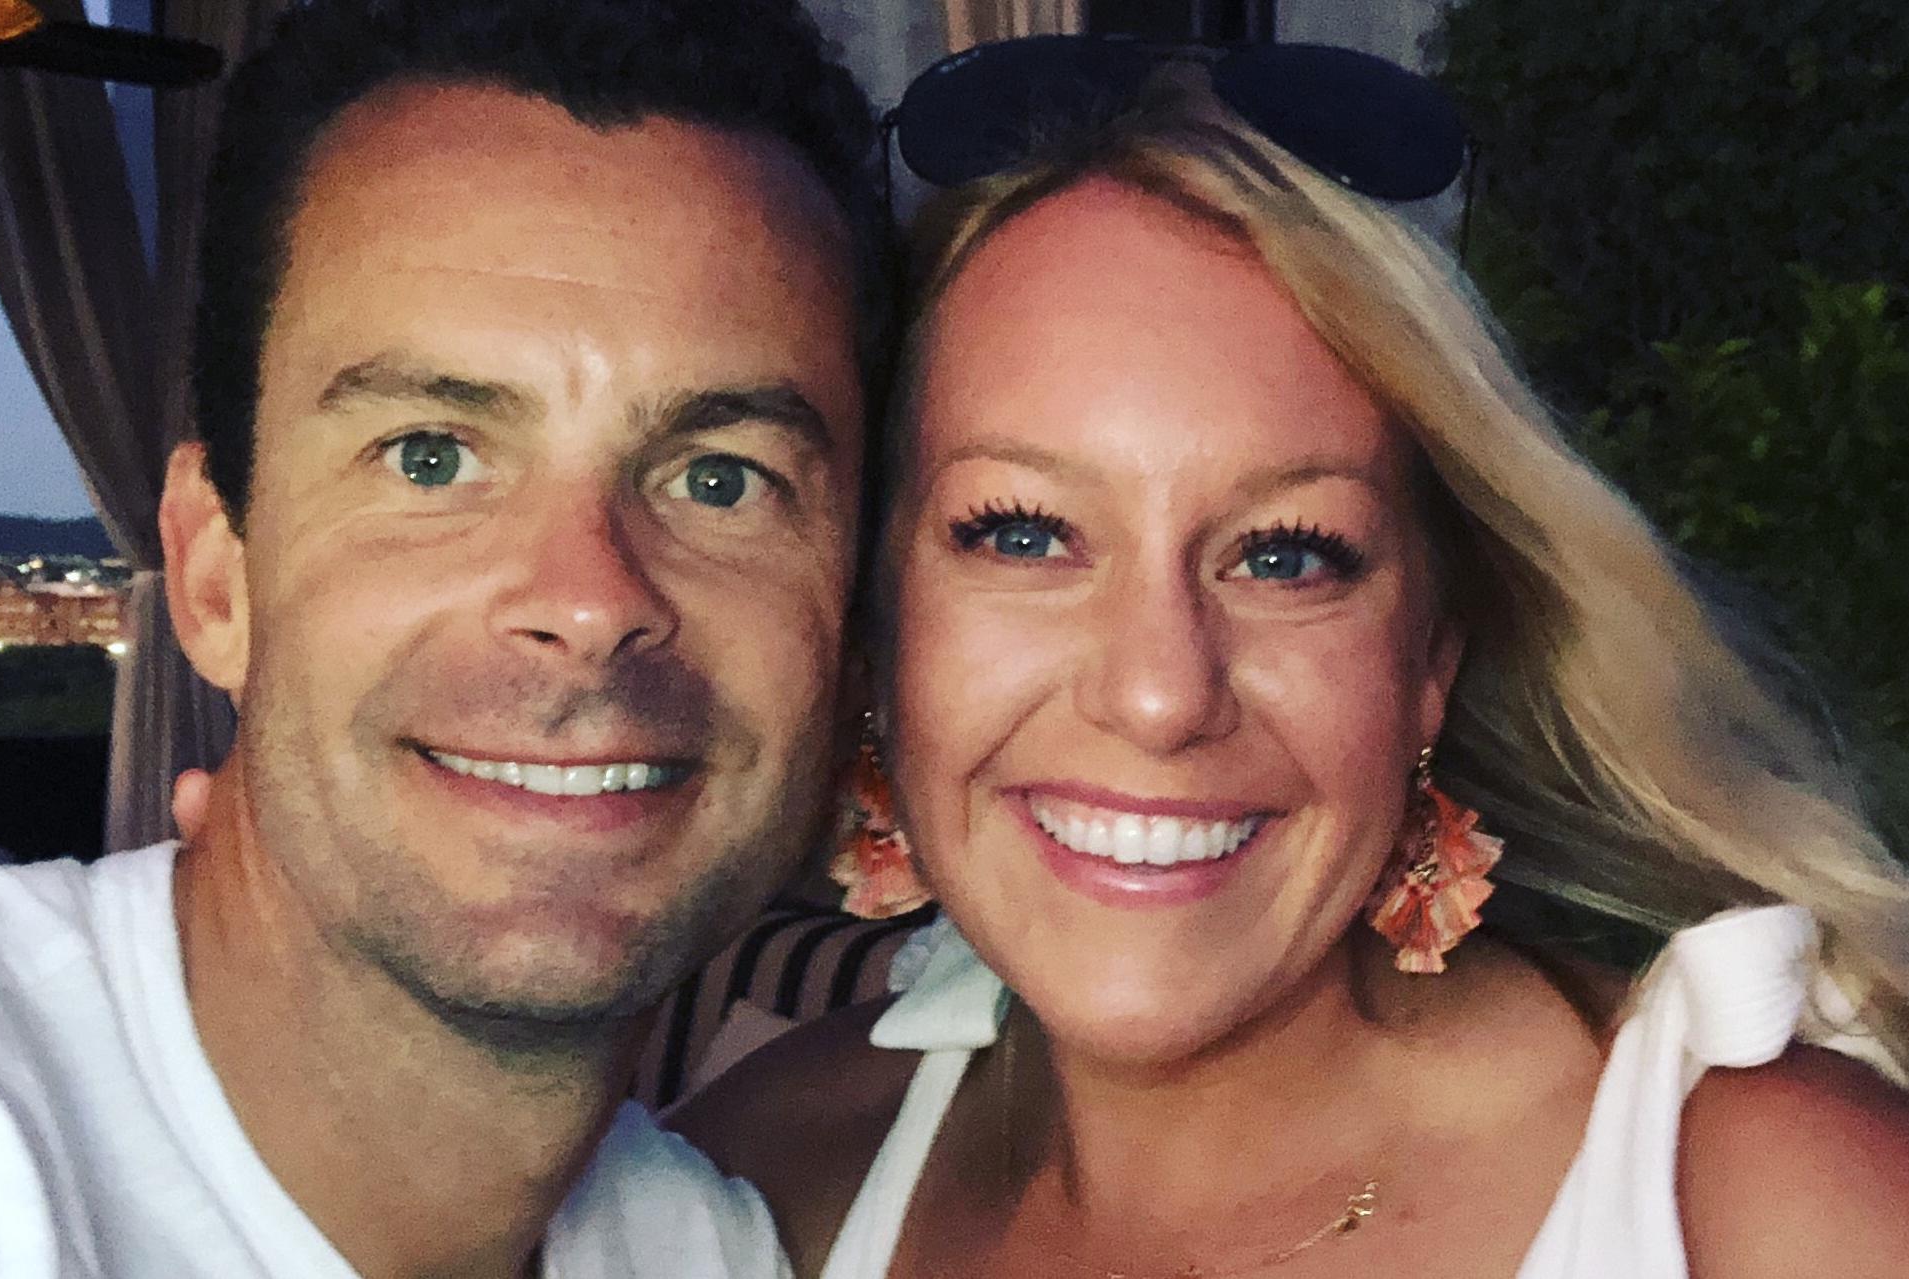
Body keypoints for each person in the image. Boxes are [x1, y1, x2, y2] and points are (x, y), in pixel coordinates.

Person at [675, 57, 1909, 1279]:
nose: (1160, 695)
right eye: (1025, 534)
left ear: (1431, 657)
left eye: (1285, 556)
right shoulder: (759, 1191)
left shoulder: (1773, 1211)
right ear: (882, 630)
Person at [0, 0, 881, 1274]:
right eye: (429, 457)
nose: (590, 600)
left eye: (720, 480)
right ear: (216, 577)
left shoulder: (704, 1248)